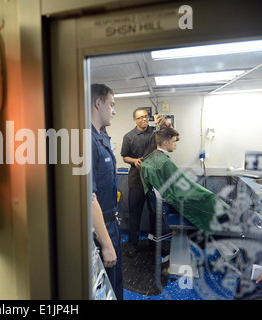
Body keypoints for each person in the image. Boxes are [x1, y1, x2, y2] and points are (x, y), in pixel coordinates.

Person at [140, 127, 229, 234]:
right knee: (211, 200)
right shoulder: (165, 163)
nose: (175, 144)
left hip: (169, 201)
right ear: (165, 142)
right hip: (175, 201)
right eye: (173, 141)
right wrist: (204, 194)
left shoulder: (152, 157)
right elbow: (177, 190)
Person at [121, 108, 172, 257]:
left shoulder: (156, 132)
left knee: (156, 214)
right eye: (140, 117)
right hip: (136, 181)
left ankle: (155, 243)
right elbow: (125, 157)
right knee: (134, 215)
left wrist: (166, 124)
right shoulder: (128, 137)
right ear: (134, 120)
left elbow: (173, 137)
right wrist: (134, 160)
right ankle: (132, 245)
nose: (144, 119)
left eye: (145, 117)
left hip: (154, 182)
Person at [90, 83, 123, 300]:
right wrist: (106, 244)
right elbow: (87, 197)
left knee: (115, 285)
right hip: (100, 229)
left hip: (111, 221)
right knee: (106, 289)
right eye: (110, 104)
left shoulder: (101, 137)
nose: (114, 110)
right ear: (97, 102)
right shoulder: (86, 140)